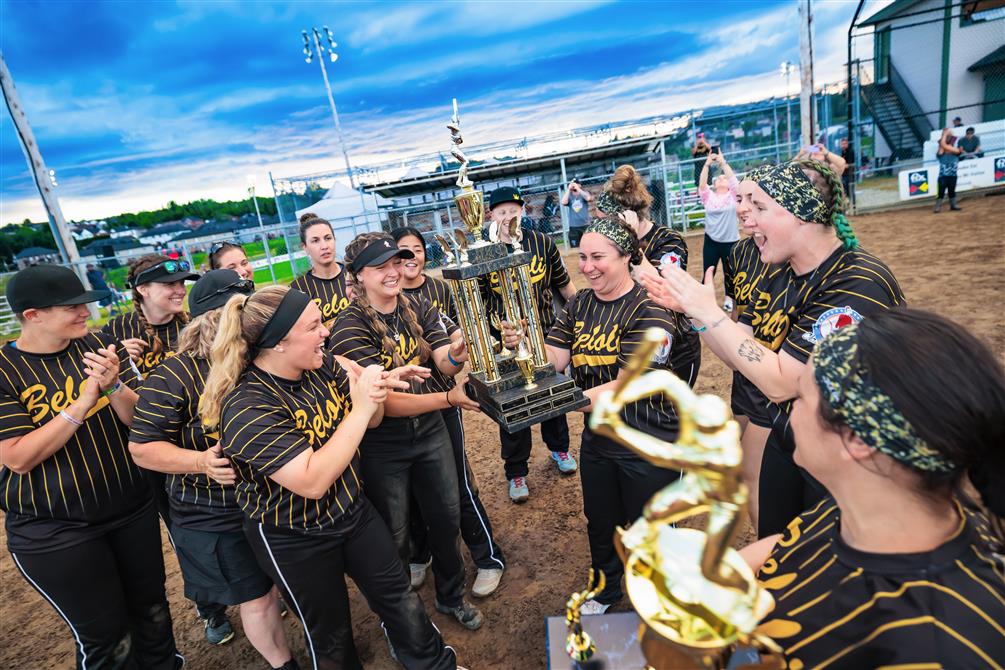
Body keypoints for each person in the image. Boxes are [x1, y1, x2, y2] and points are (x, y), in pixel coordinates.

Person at [197, 284, 460, 670]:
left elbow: (373, 419)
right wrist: (360, 407)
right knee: (331, 633)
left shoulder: (322, 366)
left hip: (351, 510)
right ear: (279, 343)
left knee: (400, 597)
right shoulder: (247, 407)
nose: (326, 332)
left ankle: (437, 665)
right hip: (293, 534)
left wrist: (373, 391)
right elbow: (311, 480)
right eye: (314, 326)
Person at [641, 160, 905, 538]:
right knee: (778, 545)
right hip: (792, 437)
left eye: (760, 207)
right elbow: (741, 351)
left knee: (829, 561)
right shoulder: (779, 271)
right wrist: (695, 312)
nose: (746, 218)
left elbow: (784, 381)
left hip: (850, 456)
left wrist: (708, 312)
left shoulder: (857, 283)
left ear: (803, 213)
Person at [741, 309, 1005, 668]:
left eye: (800, 398)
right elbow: (789, 546)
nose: (789, 412)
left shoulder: (937, 647)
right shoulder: (859, 508)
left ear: (856, 439)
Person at [0, 265, 182, 669]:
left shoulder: (99, 345)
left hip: (129, 509)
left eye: (85, 303)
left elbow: (140, 422)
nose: (86, 312)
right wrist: (82, 402)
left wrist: (115, 386)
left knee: (153, 611)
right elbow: (18, 457)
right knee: (108, 640)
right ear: (34, 315)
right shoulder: (4, 370)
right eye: (72, 306)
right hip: (58, 529)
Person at [502, 218, 684, 615]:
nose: (587, 266)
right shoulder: (581, 304)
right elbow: (554, 360)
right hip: (600, 440)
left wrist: (558, 401)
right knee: (601, 521)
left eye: (598, 256)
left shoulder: (650, 309)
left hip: (649, 442)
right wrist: (524, 351)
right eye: (582, 256)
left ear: (627, 257)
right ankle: (605, 588)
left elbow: (623, 388)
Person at [128, 270, 298, 670]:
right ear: (213, 318)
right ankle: (283, 664)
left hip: (271, 499)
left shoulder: (257, 358)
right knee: (257, 597)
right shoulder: (175, 374)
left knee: (280, 586)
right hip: (212, 512)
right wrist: (201, 461)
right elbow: (142, 448)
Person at [330, 232, 484, 629]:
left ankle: (451, 597)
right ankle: (399, 620)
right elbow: (387, 404)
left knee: (447, 519)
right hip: (384, 445)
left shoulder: (415, 304)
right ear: (359, 276)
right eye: (381, 267)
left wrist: (458, 351)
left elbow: (442, 363)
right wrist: (448, 399)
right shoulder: (348, 327)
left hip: (430, 432)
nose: (393, 271)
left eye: (395, 263)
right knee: (394, 536)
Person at [392, 227, 507, 598]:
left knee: (457, 482)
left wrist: (462, 346)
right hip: (401, 415)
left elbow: (456, 340)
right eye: (401, 253)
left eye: (417, 251)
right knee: (410, 493)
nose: (410, 259)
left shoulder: (438, 291)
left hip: (442, 401)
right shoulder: (383, 302)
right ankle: (420, 555)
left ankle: (488, 557)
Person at [485, 185, 579, 503]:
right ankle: (516, 471)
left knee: (552, 397)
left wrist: (585, 313)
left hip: (546, 334)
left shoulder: (541, 243)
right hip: (507, 342)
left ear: (522, 211)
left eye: (514, 210)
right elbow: (481, 300)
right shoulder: (484, 250)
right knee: (514, 406)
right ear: (490, 215)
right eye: (502, 212)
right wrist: (492, 339)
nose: (509, 216)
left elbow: (564, 286)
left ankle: (560, 449)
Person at [595, 165, 701, 388]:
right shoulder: (608, 244)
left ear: (626, 217)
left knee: (671, 418)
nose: (599, 228)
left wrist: (631, 244)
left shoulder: (669, 241)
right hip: (633, 346)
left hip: (674, 351)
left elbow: (660, 289)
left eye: (604, 221)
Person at [721, 231, 771, 527]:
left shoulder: (781, 257)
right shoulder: (738, 252)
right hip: (745, 360)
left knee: (757, 470)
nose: (743, 210)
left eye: (755, 203)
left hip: (773, 368)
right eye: (741, 201)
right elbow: (736, 305)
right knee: (743, 444)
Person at [290, 212, 351, 328]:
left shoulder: (353, 272)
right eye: (315, 241)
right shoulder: (298, 288)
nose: (324, 246)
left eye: (328, 238)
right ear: (305, 247)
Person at [698, 152, 740, 288]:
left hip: (731, 242)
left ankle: (730, 301)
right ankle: (704, 301)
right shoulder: (708, 197)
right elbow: (702, 184)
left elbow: (734, 180)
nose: (722, 178)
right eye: (718, 178)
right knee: (708, 273)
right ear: (714, 184)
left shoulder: (733, 196)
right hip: (711, 241)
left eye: (724, 178)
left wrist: (722, 162)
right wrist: (707, 164)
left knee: (732, 274)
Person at [935, 128, 963, 213]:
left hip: (952, 175)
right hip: (943, 176)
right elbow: (943, 147)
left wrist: (945, 135)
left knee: (952, 190)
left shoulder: (956, 150)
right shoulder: (940, 152)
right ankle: (938, 207)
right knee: (941, 192)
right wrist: (945, 134)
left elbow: (947, 147)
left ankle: (953, 205)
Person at [561, 178, 593, 247]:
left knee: (588, 246)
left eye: (576, 184)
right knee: (575, 248)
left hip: (585, 225)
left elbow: (588, 198)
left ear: (580, 185)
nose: (574, 186)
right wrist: (568, 189)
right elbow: (563, 202)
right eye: (573, 184)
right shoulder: (569, 196)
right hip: (573, 227)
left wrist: (578, 189)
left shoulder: (584, 193)